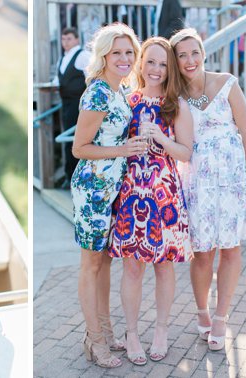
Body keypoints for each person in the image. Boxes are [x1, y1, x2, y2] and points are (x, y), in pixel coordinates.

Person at [169, 28, 246, 351]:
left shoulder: (228, 83)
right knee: (202, 253)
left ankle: (222, 317)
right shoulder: (177, 97)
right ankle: (202, 311)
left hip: (233, 176)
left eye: (194, 52)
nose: (190, 60)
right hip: (197, 179)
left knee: (231, 248)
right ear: (176, 61)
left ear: (203, 53)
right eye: (182, 55)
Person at [67, 22, 148, 369]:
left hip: (115, 188)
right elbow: (79, 148)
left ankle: (105, 329)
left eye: (129, 52)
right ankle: (94, 340)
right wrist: (123, 149)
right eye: (117, 52)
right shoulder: (98, 92)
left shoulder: (119, 91)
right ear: (103, 55)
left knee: (106, 262)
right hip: (93, 189)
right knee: (92, 263)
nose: (125, 58)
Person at [110, 36, 194, 366]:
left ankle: (161, 330)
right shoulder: (127, 101)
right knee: (132, 268)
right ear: (141, 63)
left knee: (164, 267)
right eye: (151, 61)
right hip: (131, 194)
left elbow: (186, 153)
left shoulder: (177, 105)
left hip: (165, 196)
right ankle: (131, 333)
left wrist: (160, 137)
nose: (156, 69)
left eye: (163, 63)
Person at [55, 27, 91, 184]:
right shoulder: (62, 58)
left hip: (78, 105)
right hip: (66, 104)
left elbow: (91, 76)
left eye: (69, 38)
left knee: (78, 140)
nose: (65, 42)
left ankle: (79, 177)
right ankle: (69, 175)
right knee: (68, 140)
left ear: (76, 39)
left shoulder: (83, 55)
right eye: (63, 39)